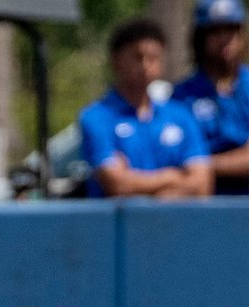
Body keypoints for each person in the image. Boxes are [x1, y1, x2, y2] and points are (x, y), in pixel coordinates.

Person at [79, 18, 211, 199]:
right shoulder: (96, 117)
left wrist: (141, 185)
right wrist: (171, 176)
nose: (145, 66)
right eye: (138, 57)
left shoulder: (180, 115)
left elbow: (202, 184)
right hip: (118, 226)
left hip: (175, 224)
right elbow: (117, 184)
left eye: (153, 58)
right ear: (116, 59)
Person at [171, 0, 249, 196]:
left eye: (231, 29)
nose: (225, 38)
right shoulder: (181, 96)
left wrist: (202, 165)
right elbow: (174, 157)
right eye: (215, 31)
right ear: (199, 37)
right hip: (204, 209)